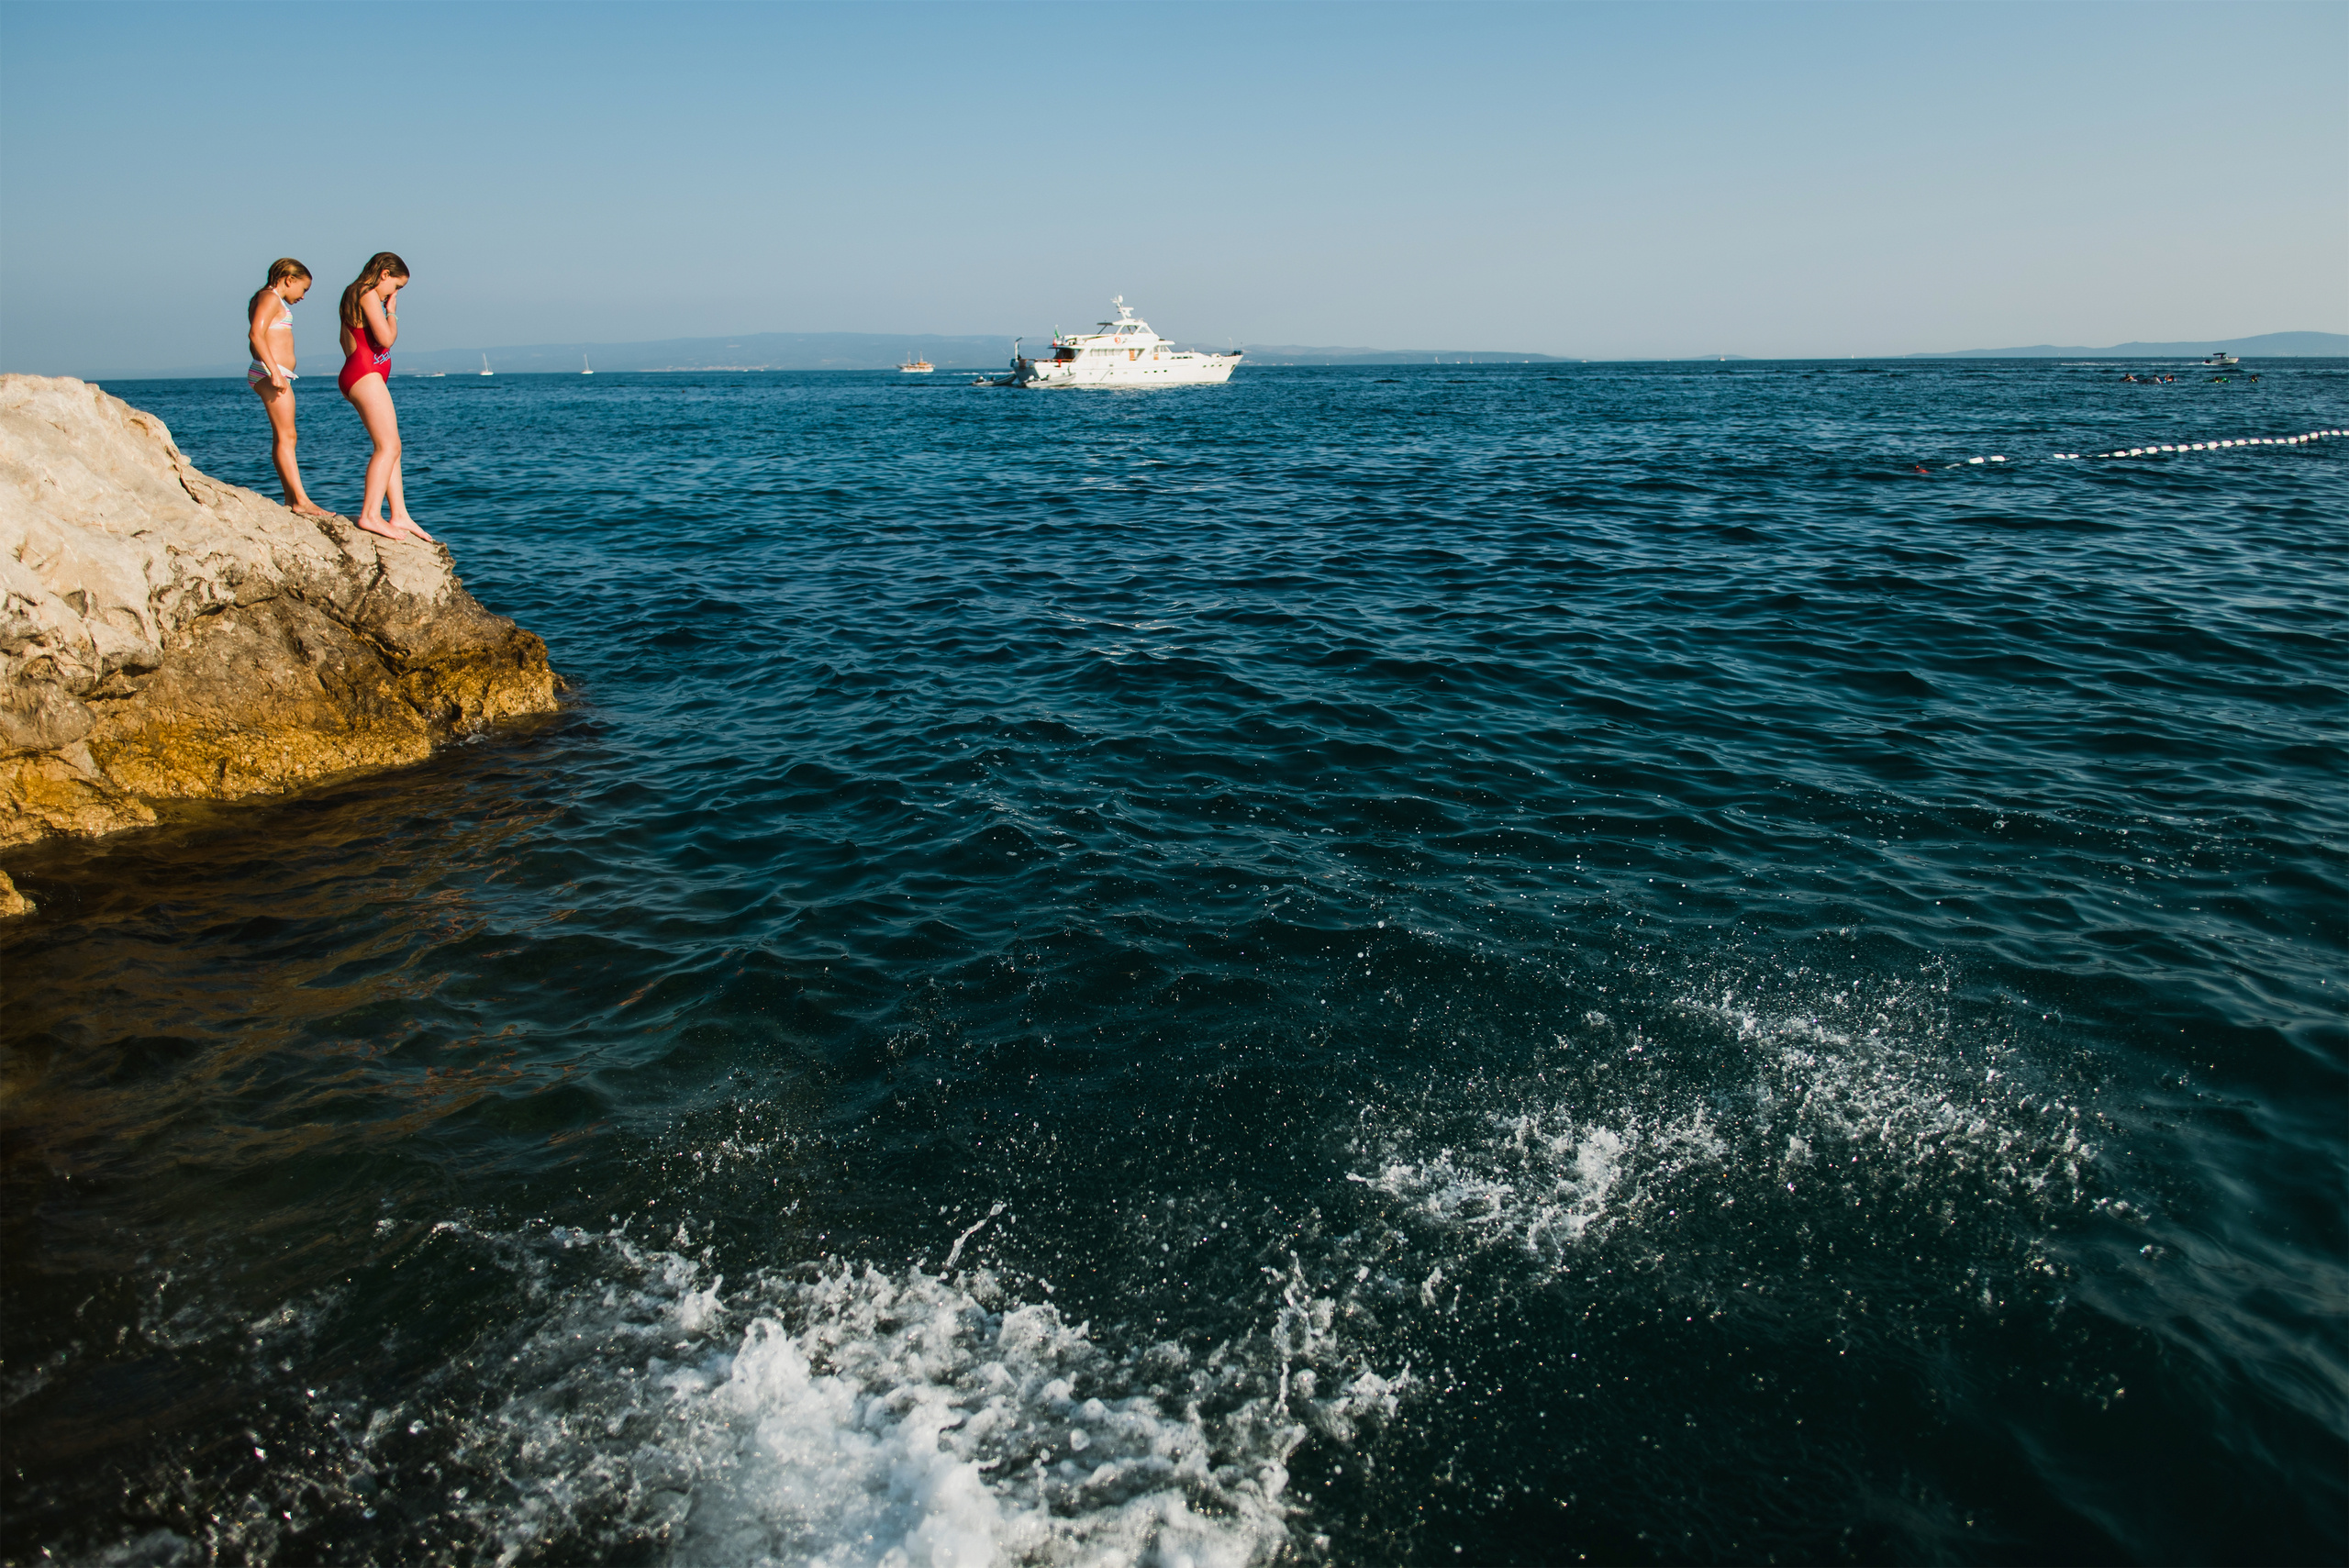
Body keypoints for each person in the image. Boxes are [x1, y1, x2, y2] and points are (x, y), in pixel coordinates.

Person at [337, 251, 433, 543]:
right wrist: (391, 311)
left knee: (393, 447)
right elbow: (386, 338)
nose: (395, 293)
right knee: (387, 446)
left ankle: (399, 513)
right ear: (384, 275)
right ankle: (370, 514)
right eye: (396, 287)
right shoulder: (365, 293)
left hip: (366, 375)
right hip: (364, 375)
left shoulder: (358, 295)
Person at [246, 259, 332, 517]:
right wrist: (274, 372)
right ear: (288, 279)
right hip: (273, 372)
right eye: (303, 290)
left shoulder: (266, 298)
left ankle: (290, 498)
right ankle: (301, 501)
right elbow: (255, 335)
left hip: (274, 371)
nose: (303, 297)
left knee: (283, 437)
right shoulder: (270, 298)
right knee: (288, 437)